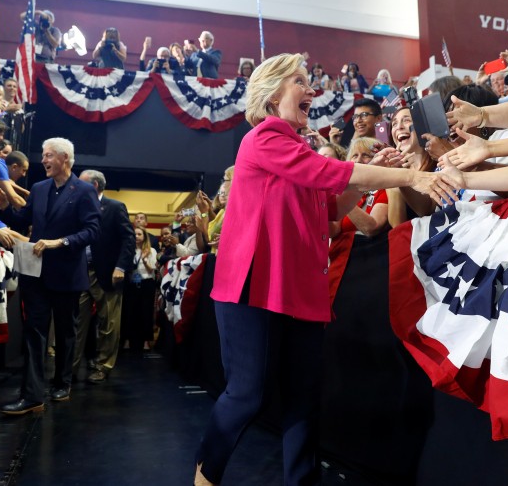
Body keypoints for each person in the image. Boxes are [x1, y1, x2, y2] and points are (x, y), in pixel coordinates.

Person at [193, 53, 457, 486]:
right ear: (273, 91)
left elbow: (330, 215)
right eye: (301, 81)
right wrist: (408, 179)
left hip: (298, 291)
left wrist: (380, 176)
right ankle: (206, 476)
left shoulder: (297, 146)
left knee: (304, 400)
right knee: (246, 396)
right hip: (253, 287)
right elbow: (322, 171)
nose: (312, 90)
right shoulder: (264, 137)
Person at [0, 138, 101, 415]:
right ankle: (32, 395)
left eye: (48, 156)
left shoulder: (83, 191)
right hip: (36, 273)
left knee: (67, 332)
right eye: (43, 155)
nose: (43, 160)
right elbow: (23, 221)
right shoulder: (38, 188)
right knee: (34, 331)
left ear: (64, 159)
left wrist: (61, 242)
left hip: (67, 274)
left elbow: (92, 230)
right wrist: (5, 207)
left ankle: (62, 382)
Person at [72, 169, 135, 384]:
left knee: (108, 324)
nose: (76, 187)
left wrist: (121, 267)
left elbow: (129, 240)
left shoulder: (115, 207)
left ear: (95, 186)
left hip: (108, 273)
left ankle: (102, 366)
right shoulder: (76, 206)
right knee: (76, 323)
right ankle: (69, 369)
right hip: (80, 271)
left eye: (81, 183)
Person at [120, 226, 157, 354]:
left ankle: (146, 341)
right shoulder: (129, 251)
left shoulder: (151, 250)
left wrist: (145, 259)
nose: (136, 236)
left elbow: (152, 270)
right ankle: (127, 340)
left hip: (147, 284)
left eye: (139, 234)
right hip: (132, 283)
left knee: (146, 312)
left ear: (144, 237)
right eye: (134, 234)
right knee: (130, 312)